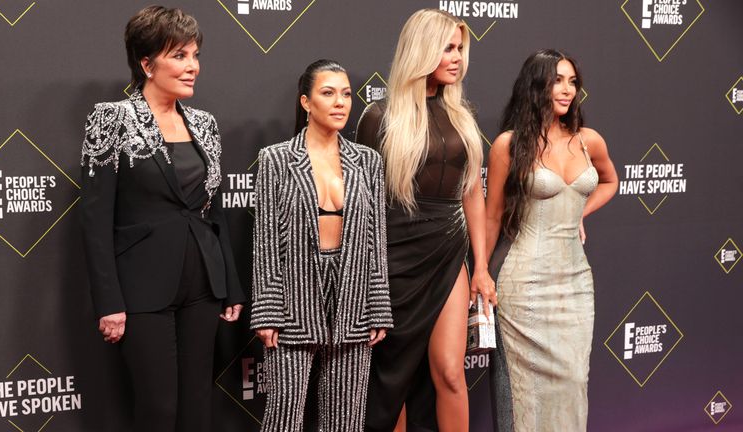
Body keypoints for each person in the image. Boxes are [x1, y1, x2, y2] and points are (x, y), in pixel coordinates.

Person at [79, 6, 245, 431]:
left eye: (194, 55)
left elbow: (214, 210)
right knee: (158, 409)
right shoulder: (110, 119)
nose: (193, 67)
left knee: (196, 408)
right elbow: (96, 220)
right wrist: (110, 302)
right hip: (141, 289)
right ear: (147, 63)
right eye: (180, 56)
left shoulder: (205, 125)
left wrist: (228, 284)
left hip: (202, 285)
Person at [356, 9, 495, 432]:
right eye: (447, 48)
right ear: (422, 50)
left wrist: (482, 267)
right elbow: (366, 204)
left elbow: (472, 193)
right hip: (395, 257)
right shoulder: (380, 118)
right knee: (392, 377)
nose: (457, 58)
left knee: (451, 372)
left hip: (448, 252)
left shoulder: (462, 118)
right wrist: (369, 274)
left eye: (460, 49)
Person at [250, 59, 393, 432]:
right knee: (284, 415)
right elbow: (265, 240)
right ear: (306, 102)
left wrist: (377, 306)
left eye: (346, 94)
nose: (340, 102)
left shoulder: (368, 161)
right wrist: (267, 309)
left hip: (353, 297)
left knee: (346, 420)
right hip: (294, 298)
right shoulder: (276, 160)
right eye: (328, 93)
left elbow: (375, 239)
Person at [485, 49, 618, 431]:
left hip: (575, 283)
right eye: (557, 80)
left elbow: (611, 181)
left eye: (573, 82)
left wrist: (580, 212)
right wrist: (480, 271)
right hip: (523, 284)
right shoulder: (508, 146)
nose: (567, 90)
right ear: (536, 84)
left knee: (575, 382)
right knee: (525, 391)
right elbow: (492, 214)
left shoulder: (588, 140)